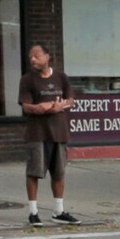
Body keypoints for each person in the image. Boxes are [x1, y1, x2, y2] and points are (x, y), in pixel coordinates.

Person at [17, 43, 79, 226]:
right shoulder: (27, 80)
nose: (33, 60)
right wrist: (39, 108)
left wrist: (58, 107)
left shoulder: (61, 77)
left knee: (59, 173)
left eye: (36, 56)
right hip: (36, 133)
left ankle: (58, 211)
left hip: (59, 132)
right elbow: (26, 106)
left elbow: (71, 100)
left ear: (47, 56)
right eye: (30, 57)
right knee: (34, 172)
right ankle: (33, 212)